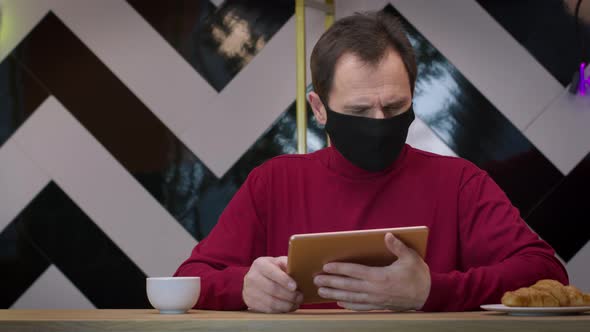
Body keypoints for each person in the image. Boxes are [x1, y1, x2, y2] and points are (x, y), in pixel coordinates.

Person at [175, 11, 568, 313]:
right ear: (319, 108)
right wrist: (245, 286)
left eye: (395, 106)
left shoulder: (459, 182)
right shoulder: (273, 183)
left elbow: (546, 272)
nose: (380, 123)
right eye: (360, 110)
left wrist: (430, 290)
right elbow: (188, 280)